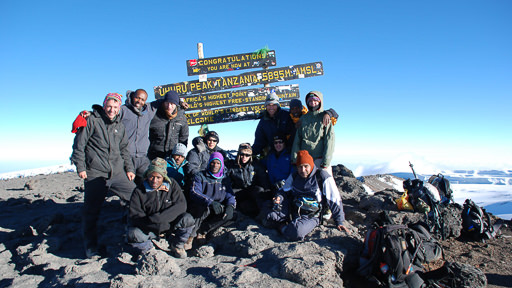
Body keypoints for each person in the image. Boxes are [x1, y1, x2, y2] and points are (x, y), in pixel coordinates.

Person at [70, 92, 136, 258]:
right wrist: (81, 167)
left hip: (118, 171)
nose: (111, 110)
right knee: (91, 210)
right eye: (109, 106)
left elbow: (124, 149)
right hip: (95, 171)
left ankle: (133, 234)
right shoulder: (92, 120)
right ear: (104, 104)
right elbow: (79, 145)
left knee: (136, 198)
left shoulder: (120, 126)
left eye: (115, 107)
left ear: (119, 108)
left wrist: (130, 168)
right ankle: (90, 247)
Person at [262, 150, 349, 241]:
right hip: (293, 211)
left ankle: (283, 227)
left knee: (296, 231)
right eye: (300, 167)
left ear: (311, 165)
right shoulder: (294, 176)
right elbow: (284, 191)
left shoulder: (321, 176)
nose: (303, 170)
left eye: (306, 166)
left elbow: (334, 198)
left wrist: (339, 221)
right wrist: (279, 198)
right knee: (268, 214)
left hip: (312, 215)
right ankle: (287, 224)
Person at [128, 157, 194, 258]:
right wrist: (153, 222)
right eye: (151, 177)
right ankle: (149, 252)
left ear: (163, 177)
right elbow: (135, 214)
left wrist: (161, 219)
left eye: (158, 177)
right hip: (149, 227)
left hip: (169, 225)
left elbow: (181, 205)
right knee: (133, 233)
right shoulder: (139, 191)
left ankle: (177, 245)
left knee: (188, 219)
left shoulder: (172, 185)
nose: (154, 181)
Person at [187, 152, 236, 247]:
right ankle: (191, 235)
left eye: (218, 163)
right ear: (209, 163)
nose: (215, 165)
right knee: (202, 209)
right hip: (204, 205)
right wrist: (210, 202)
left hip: (218, 207)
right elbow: (194, 192)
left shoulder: (225, 178)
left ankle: (203, 230)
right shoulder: (200, 176)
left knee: (231, 215)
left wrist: (230, 206)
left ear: (221, 164)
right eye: (213, 163)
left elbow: (230, 195)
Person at [291, 91, 335, 175]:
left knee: (326, 180)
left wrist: (326, 161)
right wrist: (295, 159)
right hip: (305, 159)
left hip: (320, 158)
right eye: (310, 101)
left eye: (315, 100)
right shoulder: (303, 119)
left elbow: (329, 141)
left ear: (320, 101)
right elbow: (297, 140)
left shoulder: (325, 117)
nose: (312, 103)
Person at [225, 143, 266, 217]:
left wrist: (267, 191)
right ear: (238, 154)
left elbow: (264, 179)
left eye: (247, 155)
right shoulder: (231, 166)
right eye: (242, 154)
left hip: (251, 190)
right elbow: (226, 181)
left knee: (260, 190)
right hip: (238, 191)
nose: (244, 157)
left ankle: (263, 213)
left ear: (250, 156)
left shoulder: (255, 165)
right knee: (230, 194)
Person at [148, 90, 189, 160]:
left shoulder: (181, 117)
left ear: (176, 104)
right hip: (154, 156)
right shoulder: (154, 115)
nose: (169, 106)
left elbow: (183, 137)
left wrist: (180, 155)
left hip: (172, 157)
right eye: (167, 103)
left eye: (172, 104)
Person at [252, 91, 294, 157]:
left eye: (274, 105)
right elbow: (259, 141)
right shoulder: (263, 121)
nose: (271, 108)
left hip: (288, 152)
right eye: (269, 105)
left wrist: (290, 150)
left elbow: (293, 134)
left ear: (277, 105)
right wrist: (250, 152)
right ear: (266, 106)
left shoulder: (286, 116)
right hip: (272, 153)